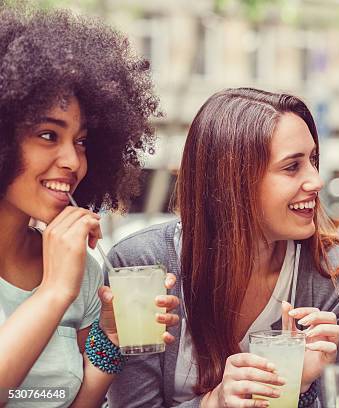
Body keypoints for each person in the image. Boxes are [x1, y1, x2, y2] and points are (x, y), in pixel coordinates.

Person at [106, 88, 339, 407]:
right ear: (233, 180)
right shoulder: (142, 267)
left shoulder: (336, 281)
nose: (316, 180)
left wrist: (298, 386)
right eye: (292, 167)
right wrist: (213, 403)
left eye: (313, 160)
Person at [0, 6, 179, 407]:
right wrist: (54, 293)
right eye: (48, 135)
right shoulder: (64, 277)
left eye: (81, 141)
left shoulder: (79, 265)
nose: (73, 161)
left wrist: (112, 335)